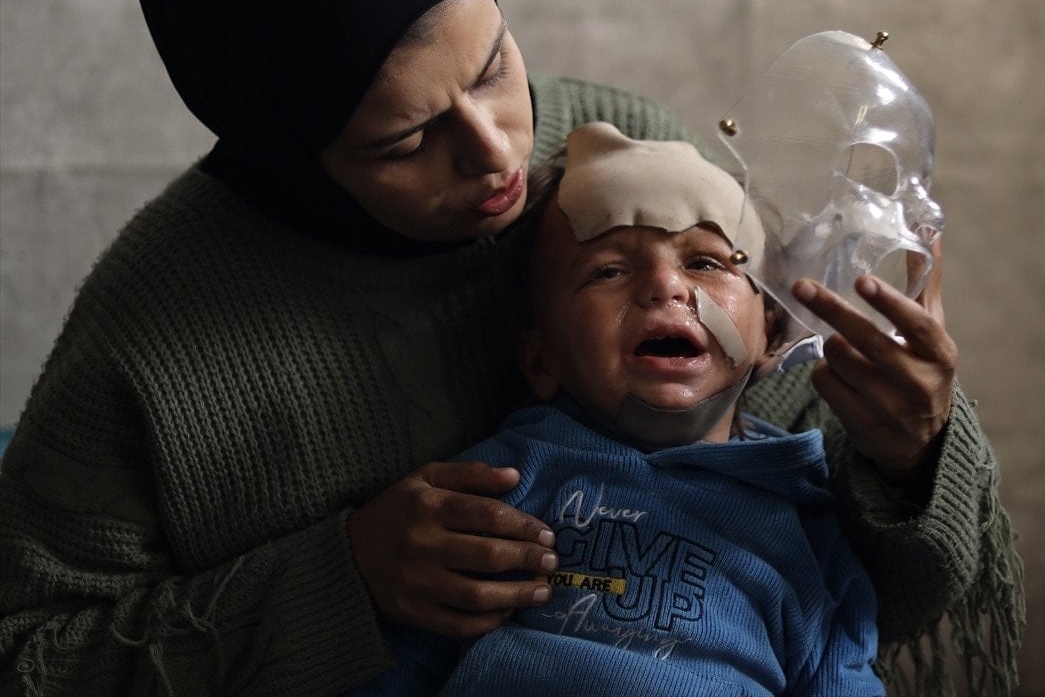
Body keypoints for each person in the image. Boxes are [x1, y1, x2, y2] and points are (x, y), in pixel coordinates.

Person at [0, 0, 1023, 696]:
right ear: (291, 158)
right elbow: (32, 657)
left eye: (494, 67)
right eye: (406, 139)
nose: (498, 154)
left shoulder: (608, 155)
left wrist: (910, 454)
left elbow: (877, 583)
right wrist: (337, 583)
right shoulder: (152, 336)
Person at [348, 121, 887, 697]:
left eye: (707, 264)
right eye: (608, 271)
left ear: (772, 335)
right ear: (540, 360)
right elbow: (400, 660)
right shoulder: (501, 483)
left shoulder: (808, 519)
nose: (664, 286)